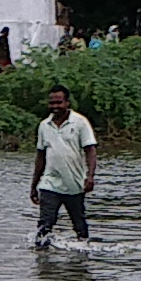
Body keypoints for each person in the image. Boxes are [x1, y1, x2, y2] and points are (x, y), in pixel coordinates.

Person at [30, 84, 98, 245]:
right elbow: (40, 156)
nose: (55, 107)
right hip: (50, 183)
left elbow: (90, 150)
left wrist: (90, 176)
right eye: (52, 103)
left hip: (74, 183)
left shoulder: (80, 123)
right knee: (45, 225)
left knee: (79, 226)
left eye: (59, 103)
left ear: (67, 102)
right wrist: (34, 185)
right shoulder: (44, 126)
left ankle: (82, 262)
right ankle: (42, 262)